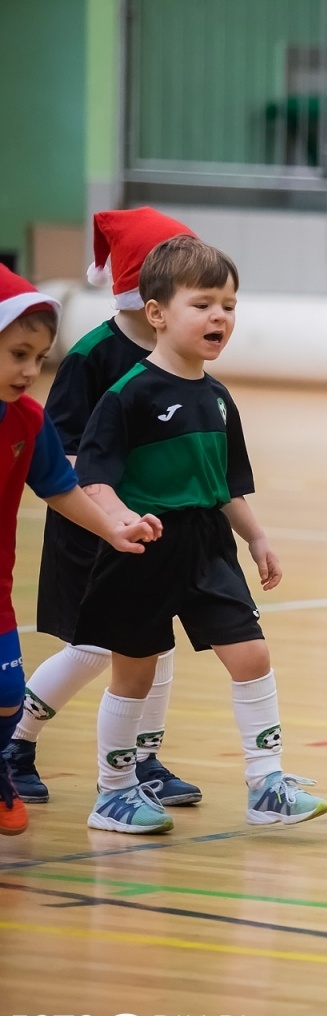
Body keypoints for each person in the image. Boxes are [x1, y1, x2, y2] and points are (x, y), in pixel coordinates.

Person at [72, 236, 327, 834]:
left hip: (208, 546)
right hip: (144, 550)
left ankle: (266, 783)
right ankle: (113, 792)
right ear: (157, 312)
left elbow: (226, 485)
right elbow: (94, 478)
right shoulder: (126, 395)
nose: (220, 316)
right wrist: (120, 523)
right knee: (133, 674)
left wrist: (257, 538)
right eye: (203, 303)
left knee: (251, 653)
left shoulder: (217, 399)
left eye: (229, 305)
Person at [2, 208, 205, 808]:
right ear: (150, 292)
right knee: (96, 647)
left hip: (147, 526)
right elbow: (60, 453)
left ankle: (142, 759)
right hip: (93, 524)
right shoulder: (93, 356)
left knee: (154, 642)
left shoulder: (183, 357)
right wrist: (107, 510)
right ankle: (18, 740)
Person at [0, 266, 161, 834]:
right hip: (40, 568)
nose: (28, 371)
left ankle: (7, 759)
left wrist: (114, 527)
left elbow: (58, 485)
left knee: (6, 693)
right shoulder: (88, 362)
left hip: (6, 585)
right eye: (18, 353)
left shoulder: (27, 418)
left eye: (37, 358)